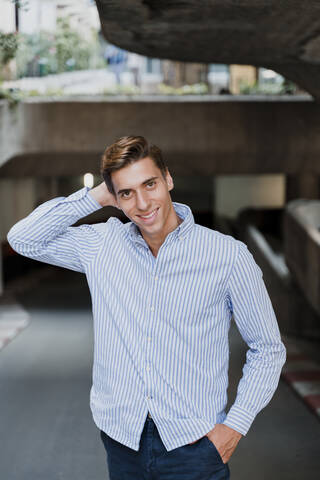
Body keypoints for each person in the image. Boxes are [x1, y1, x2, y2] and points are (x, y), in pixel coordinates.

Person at [7, 135, 286, 479]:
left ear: (168, 179)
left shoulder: (227, 256)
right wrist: (98, 194)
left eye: (149, 184)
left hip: (196, 445)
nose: (142, 202)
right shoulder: (102, 246)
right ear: (116, 198)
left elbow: (268, 349)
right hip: (122, 442)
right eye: (126, 192)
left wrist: (234, 428)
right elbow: (23, 238)